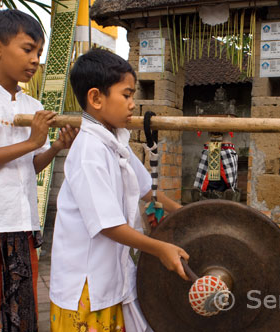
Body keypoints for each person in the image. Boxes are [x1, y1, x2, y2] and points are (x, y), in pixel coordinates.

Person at [0, 9, 77, 332]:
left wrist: (54, 147)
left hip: (19, 225)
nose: (35, 59)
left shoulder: (32, 107)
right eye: (27, 49)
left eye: (39, 52)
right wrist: (31, 141)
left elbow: (30, 166)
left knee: (18, 319)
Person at [49, 48, 189, 332]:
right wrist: (159, 249)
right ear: (96, 98)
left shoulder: (116, 144)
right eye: (126, 95)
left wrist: (190, 215)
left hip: (112, 278)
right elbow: (108, 225)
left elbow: (148, 190)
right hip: (85, 289)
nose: (132, 104)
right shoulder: (89, 151)